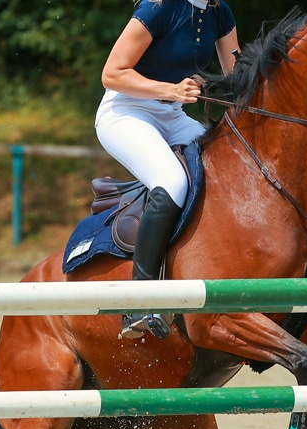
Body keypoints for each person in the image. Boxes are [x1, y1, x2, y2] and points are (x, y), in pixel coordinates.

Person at [96, 0, 239, 339]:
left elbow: (238, 77)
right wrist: (171, 90)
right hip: (126, 111)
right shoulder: (157, 9)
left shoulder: (221, 12)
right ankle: (138, 305)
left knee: (230, 165)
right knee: (172, 181)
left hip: (172, 115)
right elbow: (112, 74)